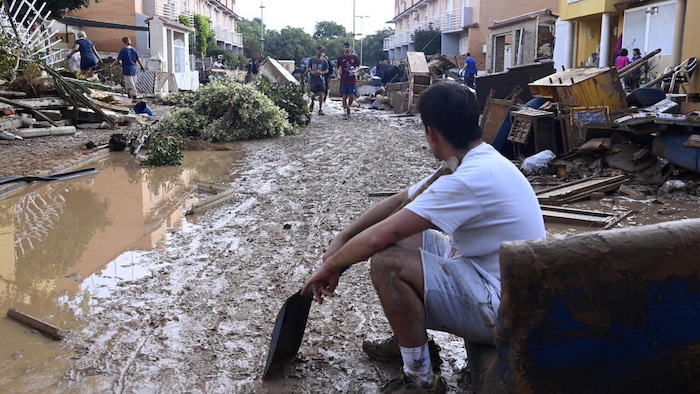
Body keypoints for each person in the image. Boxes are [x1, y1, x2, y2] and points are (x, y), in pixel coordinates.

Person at [301, 81, 546, 393]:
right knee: (401, 239)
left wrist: (332, 265)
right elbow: (400, 201)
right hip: (499, 282)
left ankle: (421, 380)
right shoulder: (475, 160)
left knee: (387, 263)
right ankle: (412, 342)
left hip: (505, 311)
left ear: (432, 133)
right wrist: (343, 237)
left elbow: (378, 238)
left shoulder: (468, 179)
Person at [336, 42, 360, 120]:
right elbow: (337, 67)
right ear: (343, 48)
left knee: (352, 96)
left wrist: (355, 71)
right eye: (345, 47)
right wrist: (338, 75)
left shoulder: (354, 57)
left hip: (352, 79)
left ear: (350, 48)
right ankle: (345, 111)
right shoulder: (340, 58)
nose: (347, 49)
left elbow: (359, 66)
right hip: (344, 79)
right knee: (344, 96)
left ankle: (349, 106)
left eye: (348, 47)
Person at [307, 46, 329, 116]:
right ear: (316, 51)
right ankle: (312, 102)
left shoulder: (324, 61)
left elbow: (327, 70)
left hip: (320, 79)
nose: (319, 52)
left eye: (321, 51)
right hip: (313, 79)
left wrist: (321, 72)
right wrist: (312, 72)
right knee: (312, 93)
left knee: (321, 94)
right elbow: (308, 68)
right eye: (319, 50)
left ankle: (320, 109)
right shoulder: (311, 60)